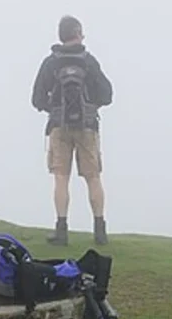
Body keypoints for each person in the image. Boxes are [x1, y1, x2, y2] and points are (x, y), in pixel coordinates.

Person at [32, 15, 113, 246]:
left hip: (59, 127)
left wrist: (53, 108)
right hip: (87, 126)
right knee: (93, 177)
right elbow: (108, 94)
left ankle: (61, 230)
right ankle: (99, 230)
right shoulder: (88, 61)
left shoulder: (51, 62)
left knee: (61, 178)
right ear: (77, 33)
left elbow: (36, 98)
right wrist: (92, 105)